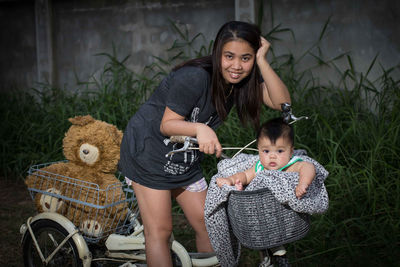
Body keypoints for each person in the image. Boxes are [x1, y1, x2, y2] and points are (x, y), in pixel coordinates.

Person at [118, 21, 291, 267]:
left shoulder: (242, 80)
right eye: (229, 56)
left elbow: (281, 102)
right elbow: (167, 125)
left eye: (246, 58)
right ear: (218, 51)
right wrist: (201, 128)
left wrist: (262, 60)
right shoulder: (196, 77)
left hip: (184, 159)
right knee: (160, 231)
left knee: (210, 222)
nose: (236, 66)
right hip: (149, 151)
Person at [216, 117, 316, 199]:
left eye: (280, 151)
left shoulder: (291, 165)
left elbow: (308, 167)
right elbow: (245, 176)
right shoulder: (260, 167)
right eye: (266, 151)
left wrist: (303, 183)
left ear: (291, 152)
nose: (272, 156)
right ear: (258, 150)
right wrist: (231, 180)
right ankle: (242, 193)